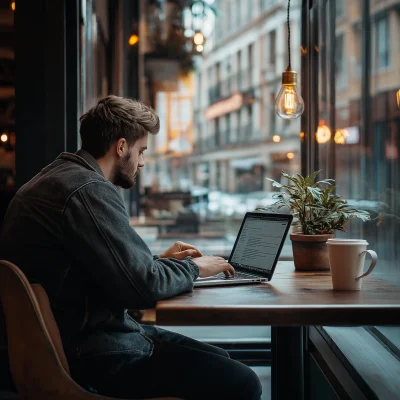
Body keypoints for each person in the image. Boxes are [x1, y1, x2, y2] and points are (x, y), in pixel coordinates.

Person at [0, 95, 262, 400]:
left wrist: (155, 262)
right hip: (96, 354)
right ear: (121, 146)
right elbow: (141, 287)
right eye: (140, 151)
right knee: (243, 382)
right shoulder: (88, 190)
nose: (140, 162)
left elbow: (107, 270)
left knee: (223, 361)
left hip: (79, 340)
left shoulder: (57, 178)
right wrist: (194, 268)